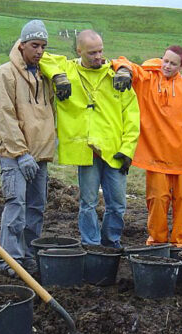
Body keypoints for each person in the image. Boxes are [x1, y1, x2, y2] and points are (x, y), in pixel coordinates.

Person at [39, 29, 140, 248]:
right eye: (92, 52)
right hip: (86, 151)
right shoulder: (68, 68)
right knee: (87, 203)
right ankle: (91, 245)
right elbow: (42, 57)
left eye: (100, 51)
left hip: (115, 151)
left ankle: (111, 243)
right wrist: (58, 76)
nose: (98, 56)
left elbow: (132, 117)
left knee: (117, 205)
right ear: (79, 50)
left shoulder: (117, 76)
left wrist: (128, 149)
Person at [110, 46, 182, 248]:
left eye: (173, 63)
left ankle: (181, 244)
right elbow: (123, 62)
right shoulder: (147, 78)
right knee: (157, 202)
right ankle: (157, 244)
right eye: (165, 61)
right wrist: (123, 71)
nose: (167, 66)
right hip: (155, 158)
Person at [0, 20, 55, 277]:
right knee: (16, 205)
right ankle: (10, 260)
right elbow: (3, 116)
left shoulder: (44, 75)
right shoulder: (4, 74)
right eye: (34, 45)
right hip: (14, 154)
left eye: (43, 46)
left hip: (41, 154)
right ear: (22, 44)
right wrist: (21, 152)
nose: (39, 51)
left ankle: (27, 255)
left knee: (36, 207)